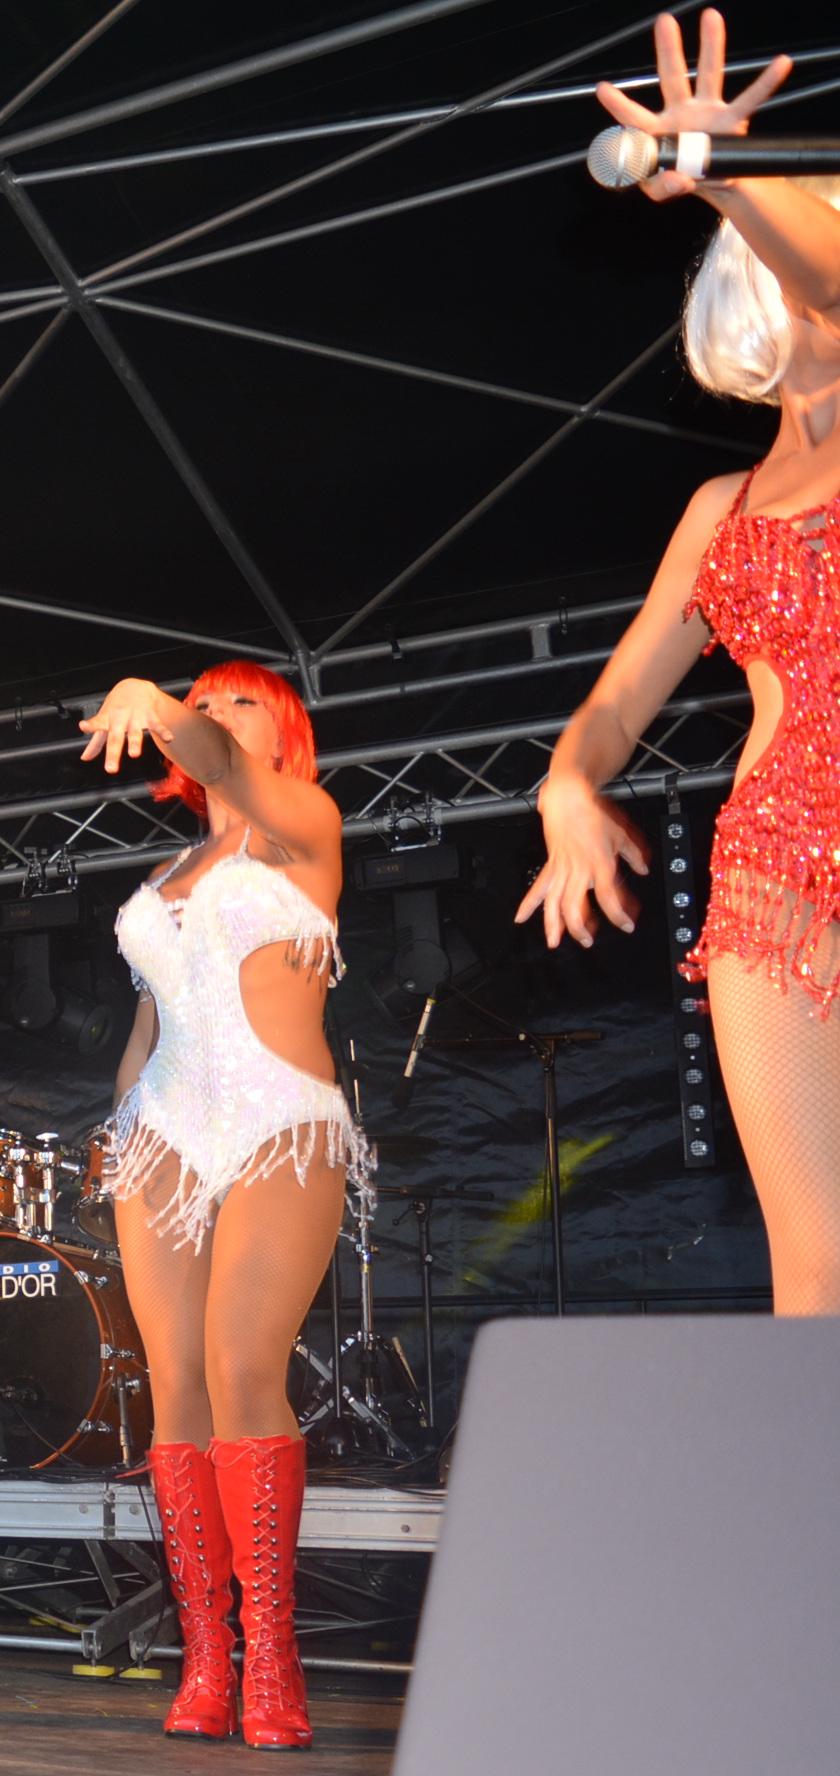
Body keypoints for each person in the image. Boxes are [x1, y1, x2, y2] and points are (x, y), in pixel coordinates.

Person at [517, 12, 840, 1313]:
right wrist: (564, 786)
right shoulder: (722, 510)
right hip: (770, 876)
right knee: (816, 1257)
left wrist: (724, 167)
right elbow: (611, 708)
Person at [80, 661, 367, 1752]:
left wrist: (158, 703)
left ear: (282, 731)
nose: (213, 713)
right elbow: (146, 1027)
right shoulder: (167, 871)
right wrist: (117, 1132)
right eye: (202, 698)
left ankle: (272, 1656)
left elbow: (220, 762)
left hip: (279, 1118)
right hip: (161, 1129)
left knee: (244, 1362)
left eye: (239, 699)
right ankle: (206, 1655)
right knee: (176, 1385)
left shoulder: (303, 823)